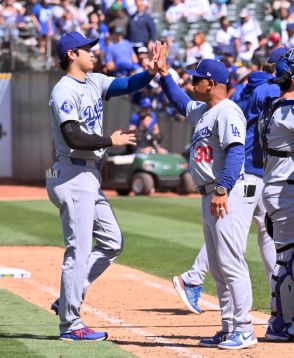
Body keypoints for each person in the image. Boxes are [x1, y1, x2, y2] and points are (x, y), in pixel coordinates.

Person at [46, 31, 159, 341]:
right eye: (87, 49)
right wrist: (111, 140)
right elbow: (73, 137)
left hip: (88, 177)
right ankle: (69, 325)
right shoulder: (63, 91)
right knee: (78, 251)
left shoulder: (94, 81)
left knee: (112, 242)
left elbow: (127, 85)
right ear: (72, 55)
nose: (93, 53)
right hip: (72, 173)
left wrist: (150, 72)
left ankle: (68, 298)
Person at [172, 47, 287, 318]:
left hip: (251, 171)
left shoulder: (253, 89)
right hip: (249, 172)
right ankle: (197, 281)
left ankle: (277, 310)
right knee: (235, 244)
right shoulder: (266, 91)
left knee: (255, 240)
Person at [156, 44, 258, 349]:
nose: (192, 83)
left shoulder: (227, 111)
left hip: (225, 193)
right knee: (217, 266)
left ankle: (245, 329)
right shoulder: (205, 110)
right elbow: (179, 102)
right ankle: (228, 328)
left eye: (196, 79)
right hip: (210, 193)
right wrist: (164, 75)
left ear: (211, 84)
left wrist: (222, 189)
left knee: (231, 263)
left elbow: (236, 152)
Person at [259, 48, 294, 341]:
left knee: (286, 257)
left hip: (278, 187)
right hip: (285, 190)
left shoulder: (273, 106)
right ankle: (282, 325)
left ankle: (280, 321)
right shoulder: (288, 113)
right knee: (289, 259)